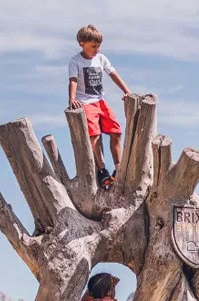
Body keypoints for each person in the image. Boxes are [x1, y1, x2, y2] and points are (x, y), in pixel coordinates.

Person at [68, 24, 131, 190]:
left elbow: (113, 75)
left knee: (116, 131)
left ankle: (118, 168)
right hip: (86, 102)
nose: (96, 50)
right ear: (82, 43)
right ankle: (102, 169)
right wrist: (72, 98)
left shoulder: (101, 58)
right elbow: (73, 80)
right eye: (93, 46)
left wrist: (127, 91)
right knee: (94, 135)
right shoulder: (75, 61)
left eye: (98, 46)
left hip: (100, 101)